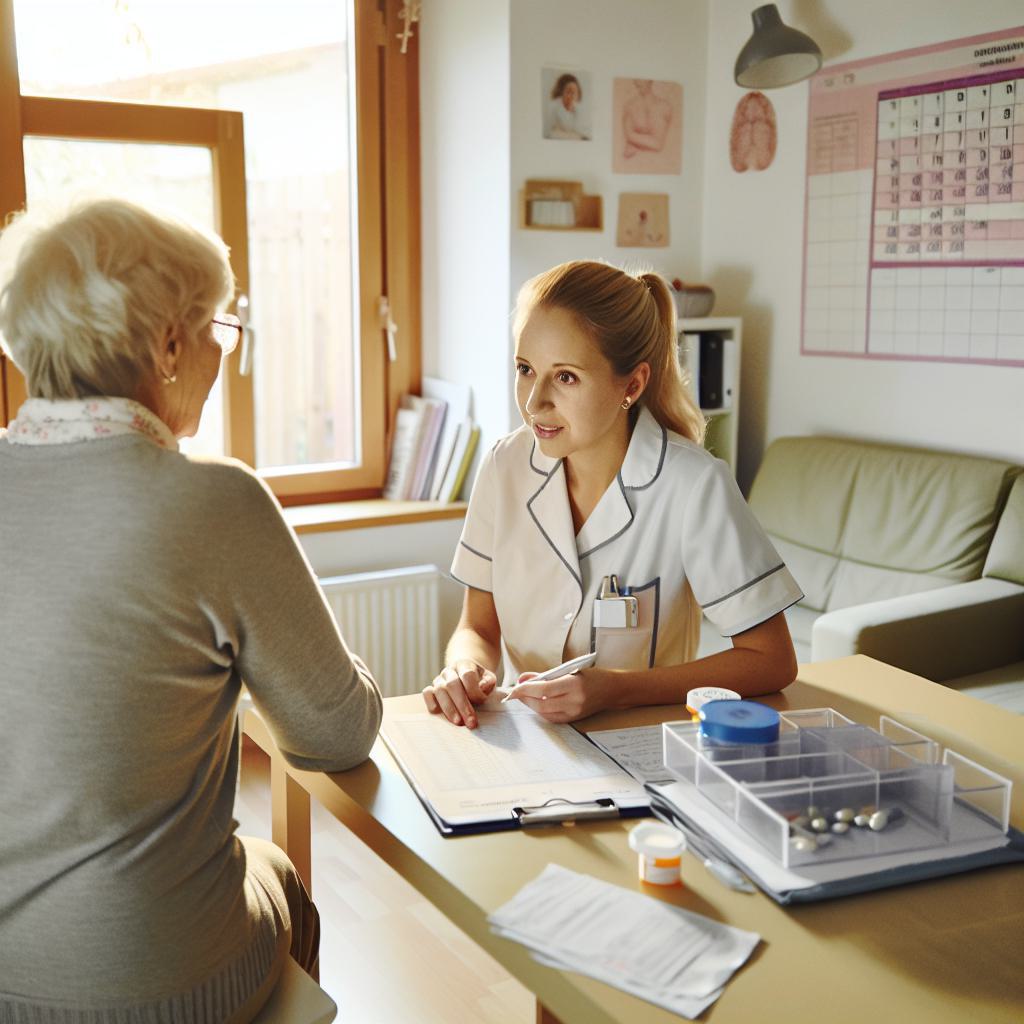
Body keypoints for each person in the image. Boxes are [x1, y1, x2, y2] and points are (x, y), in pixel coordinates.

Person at [0, 198, 383, 1023]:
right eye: (221, 326)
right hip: (153, 984)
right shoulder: (211, 500)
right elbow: (335, 733)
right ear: (169, 343)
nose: (223, 350)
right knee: (279, 872)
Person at [423, 260, 801, 728]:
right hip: (530, 739)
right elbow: (477, 626)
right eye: (526, 369)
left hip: (646, 744)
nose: (533, 401)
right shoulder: (505, 466)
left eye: (565, 377)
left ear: (633, 384)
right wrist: (465, 667)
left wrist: (616, 689)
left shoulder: (693, 484)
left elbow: (771, 660)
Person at [545, 72, 590, 140]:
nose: (572, 96)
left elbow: (585, 132)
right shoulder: (553, 107)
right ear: (561, 92)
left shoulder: (578, 109)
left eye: (575, 92)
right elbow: (550, 134)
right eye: (569, 91)